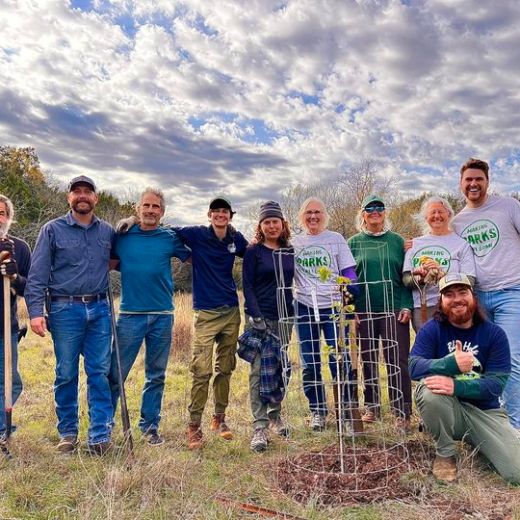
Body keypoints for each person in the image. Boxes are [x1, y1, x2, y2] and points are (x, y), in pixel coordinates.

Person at [25, 176, 115, 455]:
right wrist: (36, 312)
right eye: (77, 192)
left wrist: (131, 225)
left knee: (99, 372)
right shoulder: (52, 230)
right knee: (65, 373)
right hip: (65, 310)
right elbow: (37, 275)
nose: (82, 196)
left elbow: (123, 254)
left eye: (88, 191)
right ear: (69, 198)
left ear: (96, 198)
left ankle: (99, 435)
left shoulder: (108, 232)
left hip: (100, 309)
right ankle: (68, 432)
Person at [409, 272, 520, 484]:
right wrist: (448, 364)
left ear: (473, 297)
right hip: (448, 409)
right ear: (441, 302)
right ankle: (445, 453)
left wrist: (455, 385)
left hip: (485, 413)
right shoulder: (432, 329)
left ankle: (484, 445)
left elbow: (495, 386)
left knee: (516, 473)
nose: (457, 298)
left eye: (462, 292)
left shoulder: (494, 334)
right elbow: (414, 367)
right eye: (448, 294)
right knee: (429, 391)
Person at [108, 188, 190, 446]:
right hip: (130, 314)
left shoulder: (169, 237)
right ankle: (104, 423)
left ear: (162, 212)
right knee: (115, 372)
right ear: (138, 208)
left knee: (156, 374)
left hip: (162, 315)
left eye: (156, 207)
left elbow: (196, 257)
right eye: (146, 206)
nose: (151, 210)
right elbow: (105, 262)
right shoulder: (122, 236)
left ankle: (150, 426)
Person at [451, 158, 520, 429]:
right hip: (477, 298)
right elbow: (444, 243)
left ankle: (514, 427)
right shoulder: (458, 221)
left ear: (488, 181)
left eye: (478, 179)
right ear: (461, 184)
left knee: (511, 358)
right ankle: (494, 419)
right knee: (486, 360)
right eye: (468, 179)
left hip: (511, 292)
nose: (473, 184)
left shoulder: (508, 206)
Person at [174, 198, 248, 449]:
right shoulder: (196, 234)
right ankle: (194, 426)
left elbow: (253, 253)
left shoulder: (235, 239)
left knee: (225, 368)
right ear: (209, 215)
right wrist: (186, 255)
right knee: (202, 370)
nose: (220, 214)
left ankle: (220, 419)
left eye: (224, 211)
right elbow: (168, 233)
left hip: (230, 312)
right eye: (215, 211)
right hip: (205, 313)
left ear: (230, 215)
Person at [292, 197, 359, 432]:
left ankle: (346, 411)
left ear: (324, 215)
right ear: (302, 216)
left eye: (317, 212)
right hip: (304, 307)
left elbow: (349, 271)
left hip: (333, 307)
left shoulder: (335, 239)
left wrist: (350, 292)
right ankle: (318, 410)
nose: (313, 216)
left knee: (339, 359)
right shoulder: (295, 242)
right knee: (310, 362)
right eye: (308, 212)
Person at [348, 195, 413, 429]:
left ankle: (402, 410)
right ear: (363, 214)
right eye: (370, 208)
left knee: (398, 360)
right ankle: (372, 407)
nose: (375, 212)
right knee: (368, 360)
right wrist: (351, 310)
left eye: (379, 208)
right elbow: (346, 279)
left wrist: (406, 304)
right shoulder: (353, 243)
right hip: (364, 311)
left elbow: (407, 277)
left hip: (394, 309)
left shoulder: (398, 242)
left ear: (385, 213)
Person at [241, 201, 294, 452]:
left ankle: (276, 415)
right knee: (260, 369)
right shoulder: (254, 251)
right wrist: (256, 316)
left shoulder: (289, 250)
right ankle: (259, 425)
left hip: (285, 317)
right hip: (260, 317)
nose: (272, 226)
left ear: (282, 224)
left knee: (281, 368)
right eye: (267, 222)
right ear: (261, 226)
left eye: (276, 221)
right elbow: (247, 286)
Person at [403, 196, 476, 330]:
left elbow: (470, 280)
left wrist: (444, 276)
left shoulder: (462, 244)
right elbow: (407, 280)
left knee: (452, 347)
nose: (437, 216)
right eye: (432, 212)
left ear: (449, 214)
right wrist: (421, 277)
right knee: (427, 347)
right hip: (422, 308)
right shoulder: (414, 244)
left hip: (453, 306)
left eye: (441, 212)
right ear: (425, 217)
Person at [0, 194, 31, 447]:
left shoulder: (19, 247)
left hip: (5, 327)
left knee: (11, 382)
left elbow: (30, 288)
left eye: (2, 212)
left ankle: (2, 427)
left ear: (9, 218)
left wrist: (15, 277)